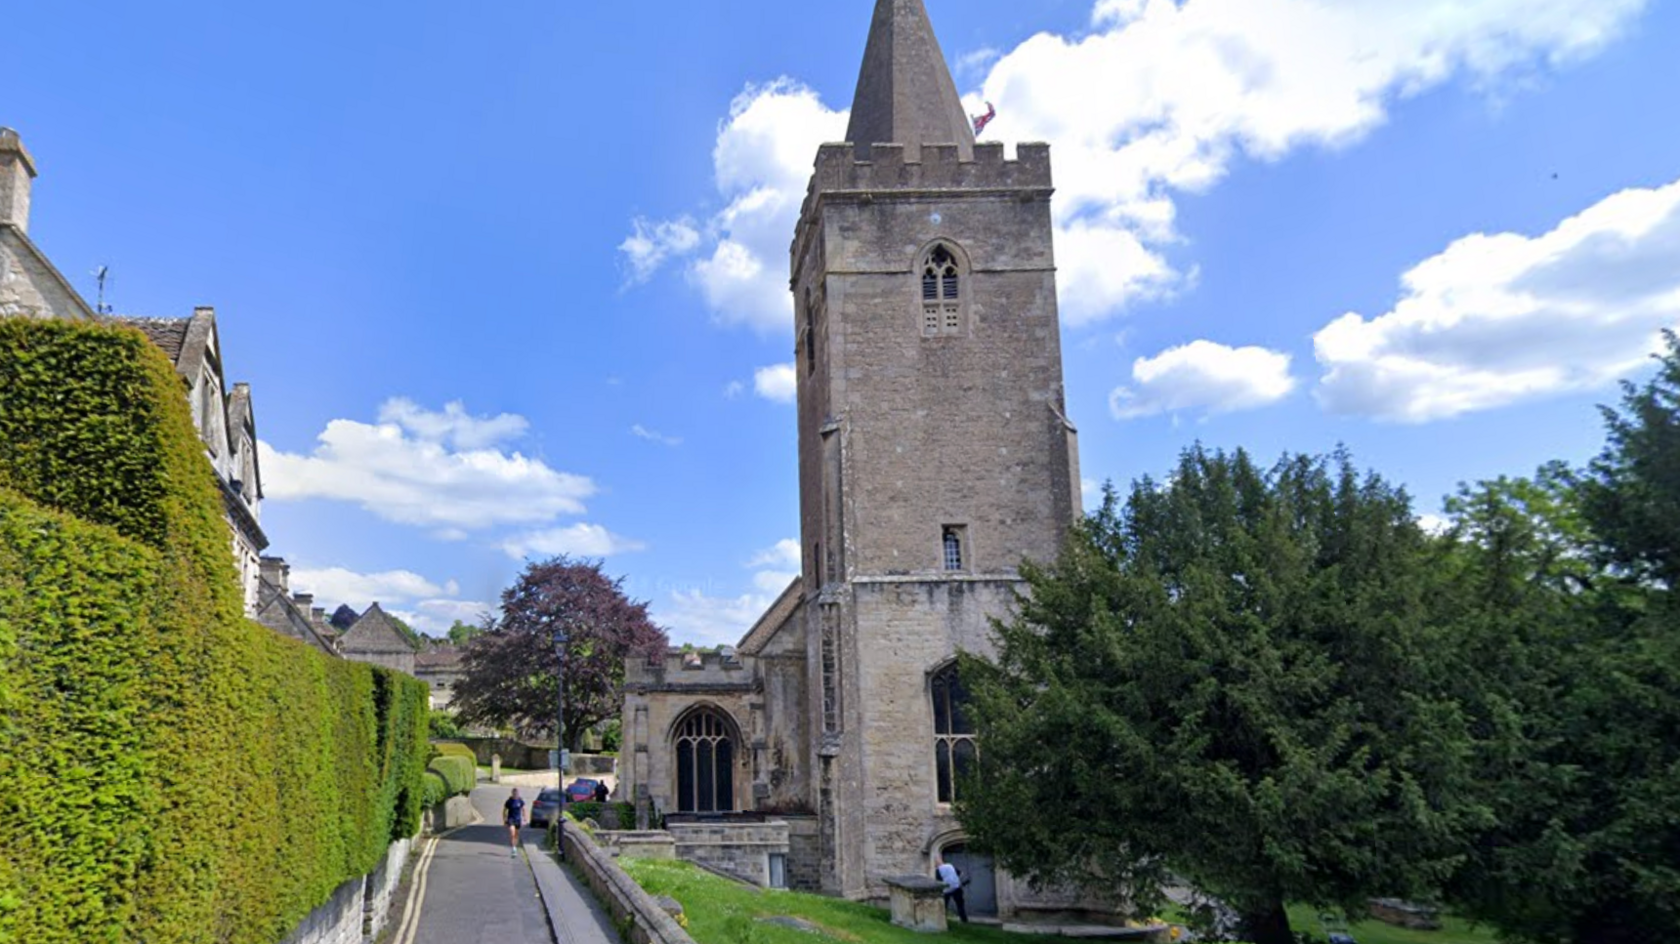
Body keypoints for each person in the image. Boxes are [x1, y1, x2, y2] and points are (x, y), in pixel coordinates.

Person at [935, 857, 968, 923]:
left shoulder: (938, 870)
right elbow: (961, 874)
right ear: (942, 861)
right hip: (957, 887)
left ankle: (942, 921)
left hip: (946, 890)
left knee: (944, 906)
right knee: (960, 905)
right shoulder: (950, 866)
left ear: (935, 864)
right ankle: (964, 920)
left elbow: (939, 882)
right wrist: (958, 881)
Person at [503, 788, 526, 857]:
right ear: (512, 793)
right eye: (514, 793)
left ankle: (515, 846)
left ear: (518, 794)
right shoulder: (509, 801)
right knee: (512, 833)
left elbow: (523, 809)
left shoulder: (520, 800)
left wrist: (524, 818)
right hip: (511, 819)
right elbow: (504, 811)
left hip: (518, 820)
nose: (515, 794)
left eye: (516, 793)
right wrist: (504, 820)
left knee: (516, 835)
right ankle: (513, 848)